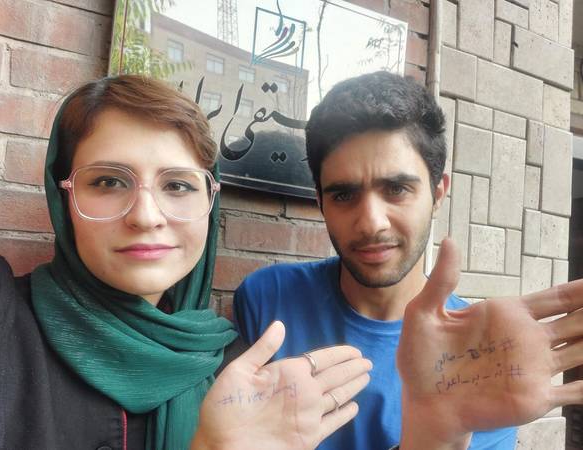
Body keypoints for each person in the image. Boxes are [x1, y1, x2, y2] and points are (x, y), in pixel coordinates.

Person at [0, 75, 373, 450]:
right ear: (63, 197)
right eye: (108, 182)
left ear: (210, 201)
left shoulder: (238, 373)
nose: (146, 216)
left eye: (177, 185)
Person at [233, 71, 583, 450]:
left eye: (397, 189)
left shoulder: (479, 355)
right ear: (320, 202)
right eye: (343, 195)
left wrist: (437, 438)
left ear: (438, 193)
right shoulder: (267, 297)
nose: (371, 223)